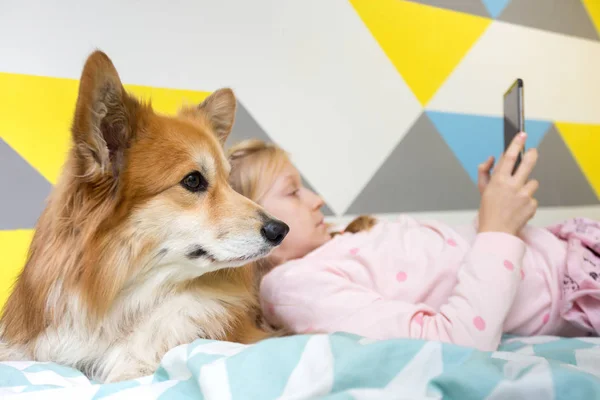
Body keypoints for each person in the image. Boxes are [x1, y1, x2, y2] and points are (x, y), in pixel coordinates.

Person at [227, 134, 600, 351]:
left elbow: (445, 267)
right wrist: (497, 229)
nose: (316, 199)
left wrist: (490, 214)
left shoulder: (329, 248)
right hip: (576, 282)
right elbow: (457, 342)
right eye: (292, 192)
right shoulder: (291, 286)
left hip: (569, 247)